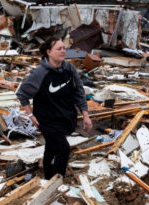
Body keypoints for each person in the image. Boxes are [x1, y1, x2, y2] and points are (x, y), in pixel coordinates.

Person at [16, 36, 93, 179]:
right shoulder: (39, 73)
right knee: (63, 148)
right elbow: (22, 94)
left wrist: (86, 114)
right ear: (49, 52)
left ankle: (47, 178)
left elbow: (79, 91)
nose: (63, 51)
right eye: (59, 48)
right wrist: (31, 116)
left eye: (64, 48)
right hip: (46, 119)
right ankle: (57, 181)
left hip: (65, 117)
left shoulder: (69, 68)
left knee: (51, 149)